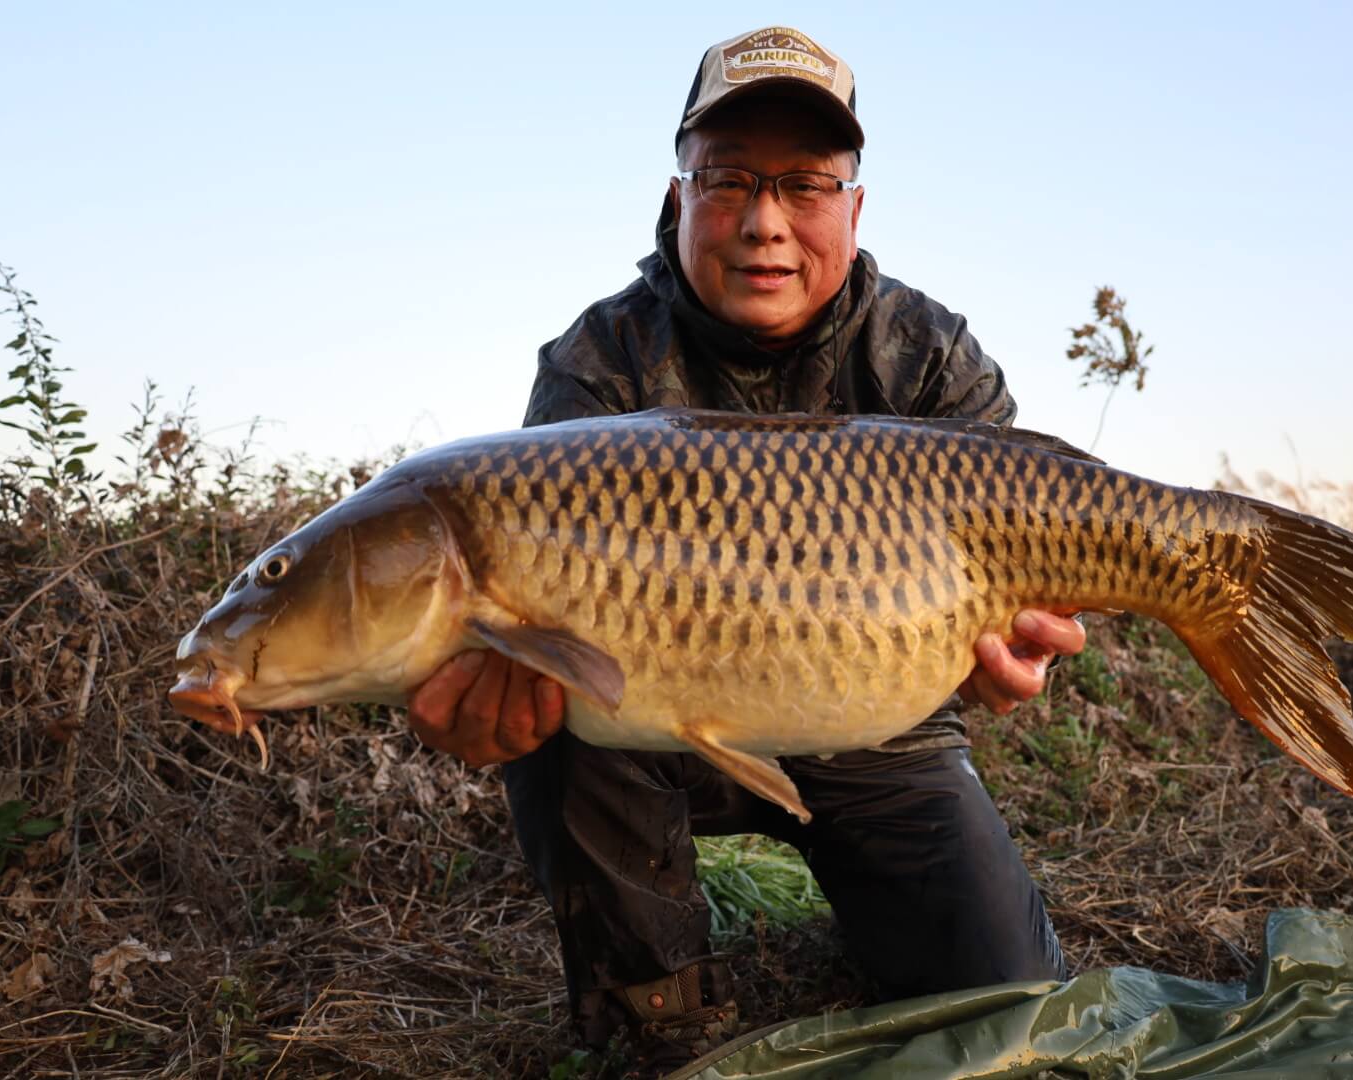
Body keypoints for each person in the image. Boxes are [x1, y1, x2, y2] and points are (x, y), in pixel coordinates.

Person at [406, 26, 1087, 1071]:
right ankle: (656, 1014)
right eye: (728, 181)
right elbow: (519, 619)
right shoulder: (598, 366)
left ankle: (894, 923)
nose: (765, 222)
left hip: (874, 728)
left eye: (806, 185)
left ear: (854, 210)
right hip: (652, 732)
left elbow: (1026, 602)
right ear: (679, 198)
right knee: (556, 702)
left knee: (1009, 1018)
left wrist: (1017, 650)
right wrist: (491, 694)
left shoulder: (931, 358)